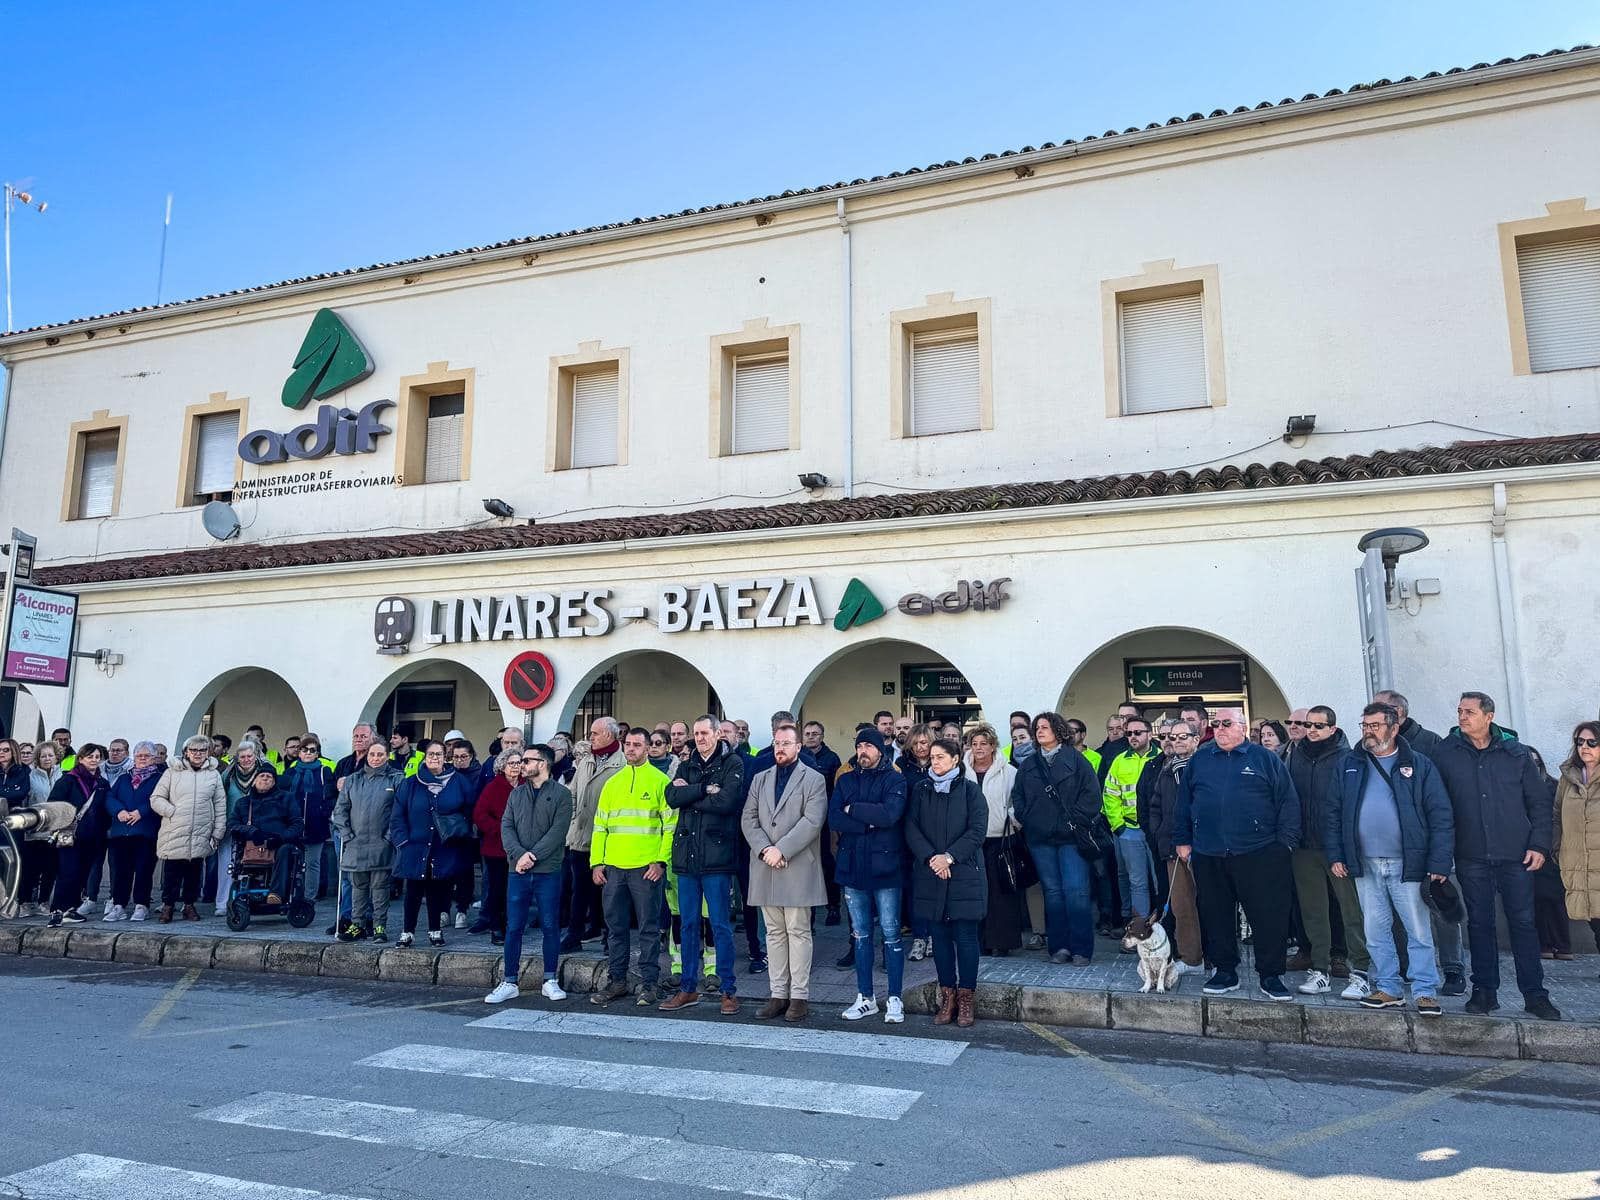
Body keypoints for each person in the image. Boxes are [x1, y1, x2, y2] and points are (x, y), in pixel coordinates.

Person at [1431, 692, 1560, 1020]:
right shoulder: (1446, 752)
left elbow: (1540, 803)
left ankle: (1535, 995)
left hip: (1516, 854)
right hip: (1471, 854)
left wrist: (1539, 845)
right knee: (1480, 925)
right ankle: (1484, 992)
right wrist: (1441, 857)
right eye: (1460, 710)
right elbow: (1438, 808)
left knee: (1523, 924)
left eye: (1469, 712)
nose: (1462, 716)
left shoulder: (1515, 753)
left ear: (1489, 716)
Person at [1324, 702, 1455, 1016]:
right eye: (1365, 726)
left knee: (1418, 930)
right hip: (1364, 863)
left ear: (1394, 728)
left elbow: (1440, 814)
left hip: (1406, 863)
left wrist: (1439, 863)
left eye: (1376, 725)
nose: (1369, 732)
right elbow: (1332, 813)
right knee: (1375, 929)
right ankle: (1389, 988)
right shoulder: (1349, 764)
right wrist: (1336, 854)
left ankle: (1424, 991)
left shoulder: (1418, 764)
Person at [1173, 707, 1300, 1001]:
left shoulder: (1264, 759)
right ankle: (1225, 971)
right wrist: (1182, 839)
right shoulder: (1201, 759)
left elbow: (1288, 803)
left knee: (1267, 915)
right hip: (1209, 852)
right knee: (1216, 914)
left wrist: (1284, 845)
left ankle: (1271, 975)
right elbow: (1184, 802)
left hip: (1258, 852)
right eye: (1216, 724)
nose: (1220, 728)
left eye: (1227, 723)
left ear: (1242, 727)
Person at [1372, 688, 1465, 993]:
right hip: (1393, 850)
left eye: (1381, 711)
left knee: (1438, 906)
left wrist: (1441, 847)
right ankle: (1404, 967)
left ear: (1398, 714)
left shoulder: (1430, 744)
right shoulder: (1373, 748)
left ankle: (1452, 969)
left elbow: (1442, 800)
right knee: (1401, 912)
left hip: (1427, 843)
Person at [659, 715, 748, 1016]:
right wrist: (703, 789)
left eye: (704, 733)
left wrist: (691, 792)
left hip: (717, 857)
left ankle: (728, 990)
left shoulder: (732, 763)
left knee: (720, 925)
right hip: (687, 857)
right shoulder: (686, 764)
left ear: (717, 734)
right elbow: (671, 796)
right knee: (687, 924)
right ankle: (688, 988)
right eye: (696, 733)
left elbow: (726, 802)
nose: (699, 738)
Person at [1285, 705, 1373, 999]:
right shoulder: (1294, 755)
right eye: (1309, 725)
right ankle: (1319, 970)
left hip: (1337, 847)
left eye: (1319, 726)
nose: (1311, 731)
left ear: (1332, 729)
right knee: (1313, 912)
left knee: (1351, 912)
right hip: (1304, 846)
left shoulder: (1348, 757)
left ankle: (1359, 970)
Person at [742, 724, 827, 1022]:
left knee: (798, 931)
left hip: (796, 865)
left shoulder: (813, 779)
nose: (780, 748)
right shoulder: (760, 778)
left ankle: (799, 996)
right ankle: (778, 993)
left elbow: (812, 821)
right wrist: (766, 849)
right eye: (777, 743)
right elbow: (749, 818)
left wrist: (782, 849)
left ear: (799, 746)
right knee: (774, 933)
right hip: (766, 864)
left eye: (787, 743)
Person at [589, 729, 675, 1006]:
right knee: (615, 929)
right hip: (613, 868)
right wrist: (596, 862)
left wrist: (661, 861)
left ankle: (649, 984)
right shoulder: (612, 783)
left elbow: (670, 828)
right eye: (628, 744)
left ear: (649, 748)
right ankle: (617, 982)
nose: (631, 749)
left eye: (638, 745)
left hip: (645, 869)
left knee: (649, 930)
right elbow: (600, 826)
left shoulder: (661, 782)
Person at [907, 736, 988, 1027]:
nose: (935, 762)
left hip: (962, 873)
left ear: (955, 759)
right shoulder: (921, 790)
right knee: (939, 939)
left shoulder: (970, 791)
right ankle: (947, 996)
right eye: (932, 757)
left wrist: (949, 857)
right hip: (931, 873)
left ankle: (966, 998)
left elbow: (978, 830)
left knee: (966, 939)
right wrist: (932, 858)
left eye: (941, 757)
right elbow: (912, 827)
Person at [1011, 712, 1103, 964]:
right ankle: (1059, 947)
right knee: (1052, 892)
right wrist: (1028, 819)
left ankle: (1082, 949)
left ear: (1058, 731)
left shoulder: (1077, 760)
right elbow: (1018, 797)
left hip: (1071, 837)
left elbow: (1092, 796)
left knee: (1076, 891)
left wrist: (1073, 822)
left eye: (1045, 727)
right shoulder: (1029, 764)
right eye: (1037, 728)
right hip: (1040, 838)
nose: (1039, 731)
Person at [487, 744, 574, 1005]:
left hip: (547, 870)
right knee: (514, 926)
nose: (521, 765)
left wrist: (532, 856)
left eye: (527, 760)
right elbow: (507, 826)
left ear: (543, 763)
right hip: (518, 871)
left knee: (549, 925)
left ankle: (550, 979)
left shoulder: (561, 795)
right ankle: (510, 980)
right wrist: (518, 855)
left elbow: (558, 832)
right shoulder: (517, 794)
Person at [832, 727, 908, 1023]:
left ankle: (895, 998)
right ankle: (865, 997)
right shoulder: (846, 779)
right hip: (853, 866)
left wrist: (854, 809)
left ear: (880, 749)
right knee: (860, 935)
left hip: (886, 867)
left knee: (891, 934)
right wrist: (866, 821)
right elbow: (834, 817)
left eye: (868, 746)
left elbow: (890, 815)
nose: (862, 751)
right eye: (859, 746)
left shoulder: (895, 779)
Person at [389, 740, 475, 947]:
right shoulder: (410, 783)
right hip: (414, 845)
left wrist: (460, 832)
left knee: (437, 890)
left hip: (444, 846)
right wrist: (402, 841)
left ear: (445, 757)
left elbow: (469, 811)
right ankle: (407, 932)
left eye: (439, 754)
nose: (434, 758)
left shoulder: (459, 781)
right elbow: (397, 816)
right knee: (413, 890)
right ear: (424, 757)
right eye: (431, 754)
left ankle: (435, 931)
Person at [1139, 721, 1203, 972]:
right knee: (1181, 905)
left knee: (1210, 904)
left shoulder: (1205, 765)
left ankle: (1219, 958)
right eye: (1172, 737)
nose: (1176, 741)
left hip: (1202, 848)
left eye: (1183, 736)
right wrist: (1159, 833)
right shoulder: (1166, 769)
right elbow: (1154, 806)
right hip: (1171, 849)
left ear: (1196, 739)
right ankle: (1191, 958)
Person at [562, 718, 625, 951]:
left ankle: (610, 936)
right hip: (581, 835)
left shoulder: (623, 762)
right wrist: (571, 823)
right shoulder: (587, 760)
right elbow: (573, 794)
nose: (591, 737)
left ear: (610, 735)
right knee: (580, 890)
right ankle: (574, 935)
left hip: (609, 839)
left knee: (610, 892)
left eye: (595, 733)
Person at [150, 735, 226, 923]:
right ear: (186, 752)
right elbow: (156, 798)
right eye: (194, 750)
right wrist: (171, 811)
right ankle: (168, 905)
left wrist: (218, 830)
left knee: (194, 871)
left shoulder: (213, 774)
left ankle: (189, 905)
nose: (198, 754)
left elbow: (220, 803)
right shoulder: (172, 772)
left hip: (200, 829)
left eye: (202, 750)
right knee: (172, 871)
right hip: (175, 828)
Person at [331, 740, 400, 941]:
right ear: (367, 756)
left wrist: (388, 837)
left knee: (380, 888)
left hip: (381, 843)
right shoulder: (353, 780)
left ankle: (379, 927)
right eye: (372, 754)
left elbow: (398, 811)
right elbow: (341, 809)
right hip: (356, 843)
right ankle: (357, 925)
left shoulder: (396, 779)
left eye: (380, 755)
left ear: (387, 756)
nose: (376, 758)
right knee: (358, 888)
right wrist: (347, 835)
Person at [965, 724, 1022, 957]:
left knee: (1000, 893)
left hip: (999, 839)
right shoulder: (961, 769)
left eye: (983, 744)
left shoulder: (1009, 771)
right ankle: (977, 942)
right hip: (970, 840)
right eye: (974, 744)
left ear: (992, 746)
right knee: (975, 892)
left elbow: (1017, 802)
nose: (978, 748)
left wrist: (1011, 819)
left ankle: (1001, 942)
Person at [1103, 715, 1160, 929]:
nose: (1133, 737)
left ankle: (1164, 928)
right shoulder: (1120, 760)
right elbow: (1109, 794)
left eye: (1138, 733)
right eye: (1129, 734)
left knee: (1159, 881)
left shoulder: (1161, 757)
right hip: (1131, 830)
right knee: (1137, 883)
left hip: (1155, 830)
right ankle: (1139, 928)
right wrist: (1119, 826)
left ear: (1150, 734)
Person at [45, 743, 108, 925]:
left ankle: (71, 908)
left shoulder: (102, 783)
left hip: (92, 836)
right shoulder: (68, 780)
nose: (94, 760)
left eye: (97, 757)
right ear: (80, 758)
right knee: (68, 871)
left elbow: (104, 809)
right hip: (68, 833)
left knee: (82, 873)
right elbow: (54, 805)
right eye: (90, 757)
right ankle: (57, 910)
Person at [101, 741, 164, 922]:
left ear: (153, 758)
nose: (142, 759)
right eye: (139, 756)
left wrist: (141, 812)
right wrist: (119, 811)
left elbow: (159, 798)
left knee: (144, 870)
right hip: (121, 831)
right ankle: (119, 905)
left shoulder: (159, 778)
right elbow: (110, 797)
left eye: (146, 756)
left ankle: (141, 905)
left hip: (145, 831)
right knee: (121, 871)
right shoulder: (124, 778)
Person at [228, 764, 305, 909]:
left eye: (269, 777)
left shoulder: (286, 798)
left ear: (274, 782)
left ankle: (276, 894)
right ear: (254, 780)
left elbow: (297, 824)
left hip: (280, 844)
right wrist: (252, 832)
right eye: (261, 776)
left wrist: (281, 838)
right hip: (253, 846)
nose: (265, 778)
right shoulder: (243, 803)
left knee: (286, 850)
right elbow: (233, 825)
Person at [1557, 720, 1600, 959]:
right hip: (1577, 864)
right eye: (1580, 742)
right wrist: (1557, 850)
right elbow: (1556, 815)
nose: (1585, 747)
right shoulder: (1569, 777)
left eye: (1592, 742)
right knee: (1594, 921)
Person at [283, 735, 337, 919]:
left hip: (316, 825)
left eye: (312, 750)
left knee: (312, 863)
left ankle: (309, 898)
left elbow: (330, 797)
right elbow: (283, 796)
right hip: (293, 826)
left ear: (317, 753)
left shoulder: (324, 771)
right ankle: (290, 895)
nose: (307, 753)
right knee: (292, 862)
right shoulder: (291, 772)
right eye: (304, 750)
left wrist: (323, 811)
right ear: (299, 752)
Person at [470, 747, 517, 942]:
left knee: (516, 889)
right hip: (496, 847)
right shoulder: (493, 786)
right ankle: (496, 927)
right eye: (511, 763)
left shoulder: (526, 785)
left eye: (518, 763)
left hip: (521, 848)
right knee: (497, 889)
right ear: (502, 766)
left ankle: (513, 924)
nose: (516, 767)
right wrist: (500, 829)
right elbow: (479, 815)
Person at [802, 719, 844, 926]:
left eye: (815, 733)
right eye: (808, 733)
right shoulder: (798, 756)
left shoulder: (832, 758)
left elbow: (836, 791)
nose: (811, 737)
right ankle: (807, 911)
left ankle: (833, 907)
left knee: (827, 862)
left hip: (825, 819)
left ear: (822, 736)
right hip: (802, 819)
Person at [20, 743, 62, 916]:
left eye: (50, 755)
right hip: (34, 830)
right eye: (43, 756)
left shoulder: (63, 776)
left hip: (55, 830)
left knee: (50, 868)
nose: (47, 759)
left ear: (56, 757)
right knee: (30, 869)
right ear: (38, 758)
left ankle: (43, 901)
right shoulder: (30, 777)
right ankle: (25, 902)